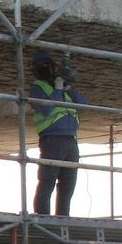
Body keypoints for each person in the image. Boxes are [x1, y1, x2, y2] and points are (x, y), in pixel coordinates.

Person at [28, 50, 87, 216]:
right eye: (42, 65)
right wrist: (59, 89)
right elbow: (46, 109)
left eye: (49, 65)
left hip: (70, 141)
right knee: (47, 182)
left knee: (68, 185)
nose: (47, 68)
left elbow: (84, 104)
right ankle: (43, 218)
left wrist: (67, 88)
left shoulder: (61, 90)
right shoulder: (37, 88)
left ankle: (63, 219)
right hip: (52, 140)